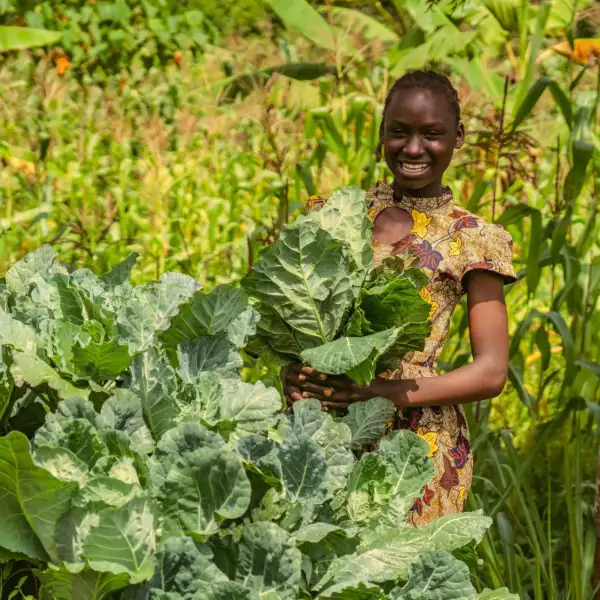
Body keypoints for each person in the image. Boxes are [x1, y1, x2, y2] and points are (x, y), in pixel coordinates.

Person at [283, 70, 516, 528]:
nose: (413, 148)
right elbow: (301, 321)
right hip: (323, 429)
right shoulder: (335, 215)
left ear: (458, 138)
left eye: (431, 134)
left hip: (417, 446)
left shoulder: (473, 239)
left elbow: (491, 373)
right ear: (382, 134)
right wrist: (294, 376)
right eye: (399, 132)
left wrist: (378, 392)